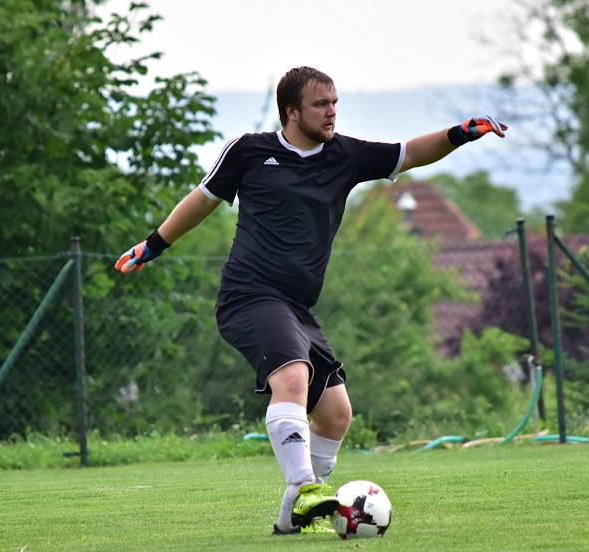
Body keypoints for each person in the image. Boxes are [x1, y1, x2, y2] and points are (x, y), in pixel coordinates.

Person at [114, 66, 507, 535]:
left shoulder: (344, 156)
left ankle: (289, 521)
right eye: (322, 104)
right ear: (291, 111)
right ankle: (304, 490)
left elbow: (410, 153)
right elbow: (202, 199)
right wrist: (153, 244)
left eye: (336, 102)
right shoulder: (249, 151)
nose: (332, 112)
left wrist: (460, 133)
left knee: (337, 414)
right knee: (293, 376)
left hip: (297, 310)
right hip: (248, 295)